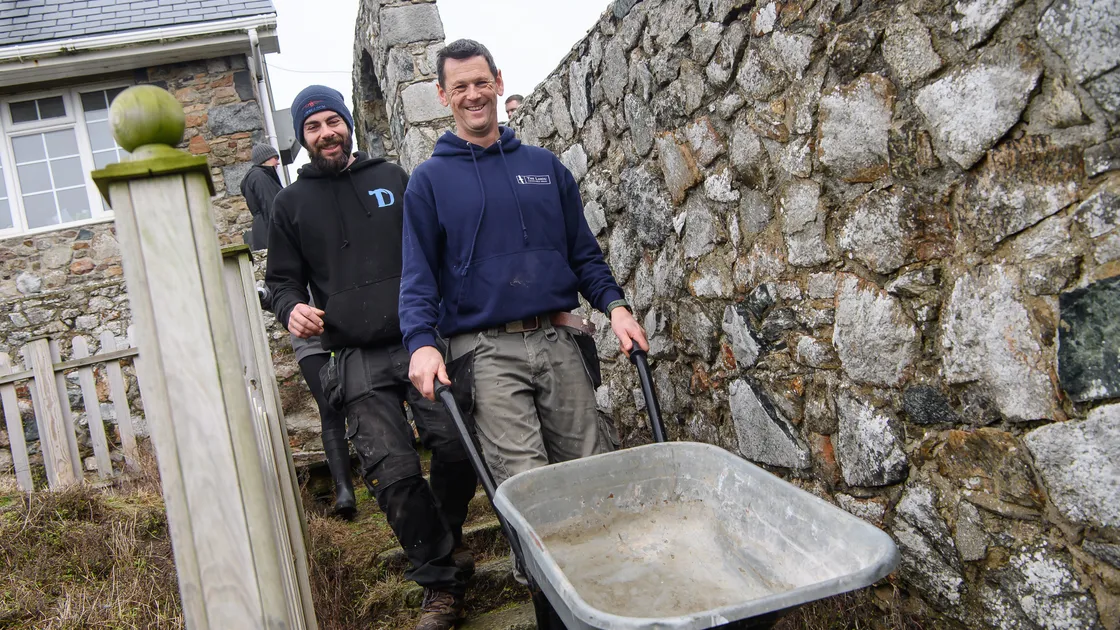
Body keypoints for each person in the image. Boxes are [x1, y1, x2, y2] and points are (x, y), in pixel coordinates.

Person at [266, 85, 477, 630]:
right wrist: (291, 309)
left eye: (332, 122)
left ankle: (445, 539)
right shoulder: (289, 206)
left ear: (349, 125)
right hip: (353, 354)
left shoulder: (392, 179)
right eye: (312, 127)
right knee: (392, 470)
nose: (325, 134)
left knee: (455, 444)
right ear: (301, 138)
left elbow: (435, 248)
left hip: (419, 340)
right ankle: (439, 585)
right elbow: (282, 283)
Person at [401, 39, 648, 492]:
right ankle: (535, 567)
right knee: (529, 486)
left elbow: (582, 254)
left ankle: (594, 565)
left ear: (498, 83)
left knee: (593, 472)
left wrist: (616, 307)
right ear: (442, 95)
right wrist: (420, 343)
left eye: (480, 82)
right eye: (459, 87)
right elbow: (417, 278)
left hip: (558, 341)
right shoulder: (428, 182)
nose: (472, 95)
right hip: (485, 352)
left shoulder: (543, 166)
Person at [242, 143, 283, 251]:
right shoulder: (260, 176)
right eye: (275, 158)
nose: (277, 162)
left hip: (264, 232)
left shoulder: (259, 176)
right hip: (269, 234)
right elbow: (271, 206)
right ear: (265, 159)